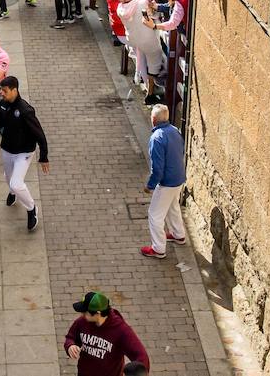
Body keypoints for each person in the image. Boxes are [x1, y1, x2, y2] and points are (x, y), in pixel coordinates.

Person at [0, 76, 49, 232]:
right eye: (1, 90)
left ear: (15, 90)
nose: (2, 94)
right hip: (7, 148)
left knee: (16, 182)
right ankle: (13, 193)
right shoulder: (2, 106)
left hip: (24, 152)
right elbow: (0, 122)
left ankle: (31, 208)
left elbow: (40, 135)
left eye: (5, 91)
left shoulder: (26, 111)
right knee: (8, 177)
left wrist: (43, 157)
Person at [62, 291, 150, 375]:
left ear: (98, 313)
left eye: (85, 312)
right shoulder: (82, 322)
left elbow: (141, 355)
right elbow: (70, 337)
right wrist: (70, 346)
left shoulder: (121, 330)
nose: (82, 314)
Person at [142, 103, 187, 258]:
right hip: (179, 178)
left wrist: (150, 185)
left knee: (154, 215)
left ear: (153, 120)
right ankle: (178, 234)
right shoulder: (175, 131)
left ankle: (158, 248)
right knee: (172, 206)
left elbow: (158, 168)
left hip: (167, 182)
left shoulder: (156, 138)